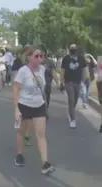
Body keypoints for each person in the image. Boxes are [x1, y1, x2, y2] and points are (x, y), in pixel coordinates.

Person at [13, 46, 55, 175]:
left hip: (39, 105)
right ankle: (19, 154)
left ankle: (45, 163)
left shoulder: (42, 69)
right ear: (29, 57)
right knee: (22, 132)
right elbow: (16, 89)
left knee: (41, 135)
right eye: (36, 56)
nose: (39, 58)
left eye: (41, 56)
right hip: (24, 105)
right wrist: (16, 109)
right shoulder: (23, 71)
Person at [60, 44, 87, 128]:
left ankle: (70, 112)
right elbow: (62, 70)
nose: (73, 49)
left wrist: (84, 81)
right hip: (69, 83)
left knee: (75, 100)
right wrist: (61, 82)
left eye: (74, 48)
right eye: (72, 48)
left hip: (78, 83)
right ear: (69, 49)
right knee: (71, 100)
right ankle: (72, 119)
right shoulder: (66, 58)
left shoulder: (81, 58)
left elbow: (84, 70)